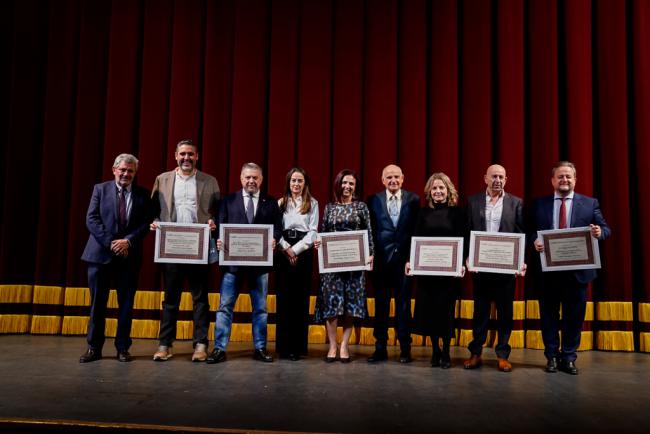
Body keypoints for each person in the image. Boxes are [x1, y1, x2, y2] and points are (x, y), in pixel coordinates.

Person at [532, 161, 611, 375]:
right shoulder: (539, 204)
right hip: (548, 273)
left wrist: (598, 232)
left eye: (568, 176)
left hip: (578, 274)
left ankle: (568, 357)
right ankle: (551, 357)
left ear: (575, 179)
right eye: (560, 176)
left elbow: (605, 229)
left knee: (574, 317)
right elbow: (530, 231)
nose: (564, 180)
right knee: (548, 316)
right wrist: (534, 242)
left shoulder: (589, 203)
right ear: (553, 180)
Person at [151, 139, 220, 362]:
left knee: (200, 298)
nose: (186, 158)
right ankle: (165, 344)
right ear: (175, 156)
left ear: (197, 156)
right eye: (183, 154)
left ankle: (200, 345)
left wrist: (214, 222)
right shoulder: (162, 180)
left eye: (190, 154)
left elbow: (219, 212)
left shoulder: (209, 181)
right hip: (171, 248)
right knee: (170, 299)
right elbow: (152, 210)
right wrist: (153, 221)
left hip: (198, 248)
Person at [80, 153, 153, 363]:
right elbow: (91, 219)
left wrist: (127, 241)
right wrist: (113, 243)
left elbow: (145, 224)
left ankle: (122, 348)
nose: (126, 174)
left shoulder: (143, 195)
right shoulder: (100, 190)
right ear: (114, 170)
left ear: (135, 173)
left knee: (126, 305)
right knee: (97, 305)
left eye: (130, 171)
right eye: (122, 170)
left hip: (129, 257)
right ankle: (93, 348)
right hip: (99, 256)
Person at [207, 162, 282, 364]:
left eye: (255, 177)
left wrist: (274, 238)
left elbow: (277, 229)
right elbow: (219, 227)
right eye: (247, 177)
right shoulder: (228, 201)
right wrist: (219, 239)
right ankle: (219, 349)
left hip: (260, 266)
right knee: (225, 307)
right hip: (233, 266)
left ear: (261, 180)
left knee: (260, 309)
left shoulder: (271, 202)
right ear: (241, 179)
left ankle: (260, 348)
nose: (251, 181)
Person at [464, 164, 525, 372]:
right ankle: (476, 353)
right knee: (480, 312)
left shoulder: (516, 203)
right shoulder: (473, 201)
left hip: (506, 269)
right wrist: (466, 258)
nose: (497, 180)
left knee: (505, 313)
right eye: (494, 176)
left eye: (501, 176)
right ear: (485, 178)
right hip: (480, 269)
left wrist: (521, 261)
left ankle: (502, 355)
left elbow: (521, 234)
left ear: (506, 180)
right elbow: (466, 232)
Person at [405, 172, 465, 369]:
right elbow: (415, 239)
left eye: (442, 188)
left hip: (449, 274)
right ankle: (435, 351)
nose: (438, 191)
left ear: (448, 191)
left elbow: (462, 241)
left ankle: (446, 351)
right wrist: (409, 261)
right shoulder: (422, 213)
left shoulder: (457, 213)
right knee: (429, 311)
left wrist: (462, 263)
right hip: (427, 274)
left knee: (445, 313)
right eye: (435, 188)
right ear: (429, 192)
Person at [314, 169, 374, 363]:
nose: (347, 187)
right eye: (344, 183)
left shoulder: (361, 207)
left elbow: (369, 233)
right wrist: (318, 243)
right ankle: (332, 345)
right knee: (332, 306)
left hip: (355, 266)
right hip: (332, 266)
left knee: (350, 305)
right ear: (338, 184)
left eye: (351, 184)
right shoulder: (329, 208)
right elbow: (322, 232)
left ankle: (344, 346)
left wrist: (371, 255)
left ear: (355, 187)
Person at [367, 164, 420, 363]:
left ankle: (405, 348)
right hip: (380, 263)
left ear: (403, 178)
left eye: (396, 177)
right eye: (389, 177)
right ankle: (380, 348)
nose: (393, 180)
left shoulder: (414, 200)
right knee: (381, 306)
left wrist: (411, 259)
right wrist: (369, 254)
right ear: (382, 180)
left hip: (404, 264)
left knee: (404, 307)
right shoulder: (373, 200)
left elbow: (416, 231)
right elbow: (369, 230)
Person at [275, 168, 319, 361]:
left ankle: (298, 347)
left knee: (300, 300)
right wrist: (286, 249)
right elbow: (275, 230)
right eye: (293, 180)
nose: (296, 184)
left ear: (305, 183)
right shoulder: (280, 203)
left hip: (303, 253)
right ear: (288, 182)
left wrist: (297, 250)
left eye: (300, 181)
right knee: (284, 299)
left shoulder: (313, 203)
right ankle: (283, 346)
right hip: (283, 253)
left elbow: (313, 231)